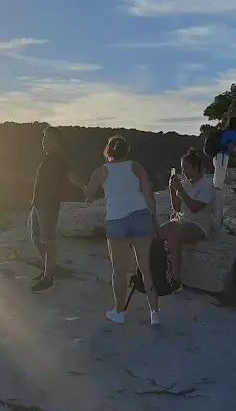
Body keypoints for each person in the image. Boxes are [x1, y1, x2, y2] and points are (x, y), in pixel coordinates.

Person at [83, 135, 160, 326]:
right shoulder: (137, 167)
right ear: (127, 151)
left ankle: (119, 312)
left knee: (119, 269)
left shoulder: (102, 171)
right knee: (145, 268)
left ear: (108, 151)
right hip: (141, 216)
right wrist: (154, 221)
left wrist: (80, 185)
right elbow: (149, 196)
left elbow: (88, 193)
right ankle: (155, 313)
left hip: (117, 219)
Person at [28, 126, 85, 293]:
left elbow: (71, 175)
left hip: (49, 206)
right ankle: (50, 269)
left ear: (58, 142)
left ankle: (48, 277)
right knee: (36, 238)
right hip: (38, 205)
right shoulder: (48, 159)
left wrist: (85, 187)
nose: (44, 143)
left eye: (48, 140)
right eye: (43, 139)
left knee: (48, 242)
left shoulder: (60, 159)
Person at [159, 149, 216, 282]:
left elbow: (195, 208)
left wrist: (180, 190)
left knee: (173, 237)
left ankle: (175, 280)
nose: (183, 171)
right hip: (182, 219)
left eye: (186, 167)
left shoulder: (206, 185)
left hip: (199, 223)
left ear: (196, 167)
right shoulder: (185, 183)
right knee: (157, 233)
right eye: (182, 167)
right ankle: (159, 270)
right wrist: (172, 191)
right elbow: (177, 208)